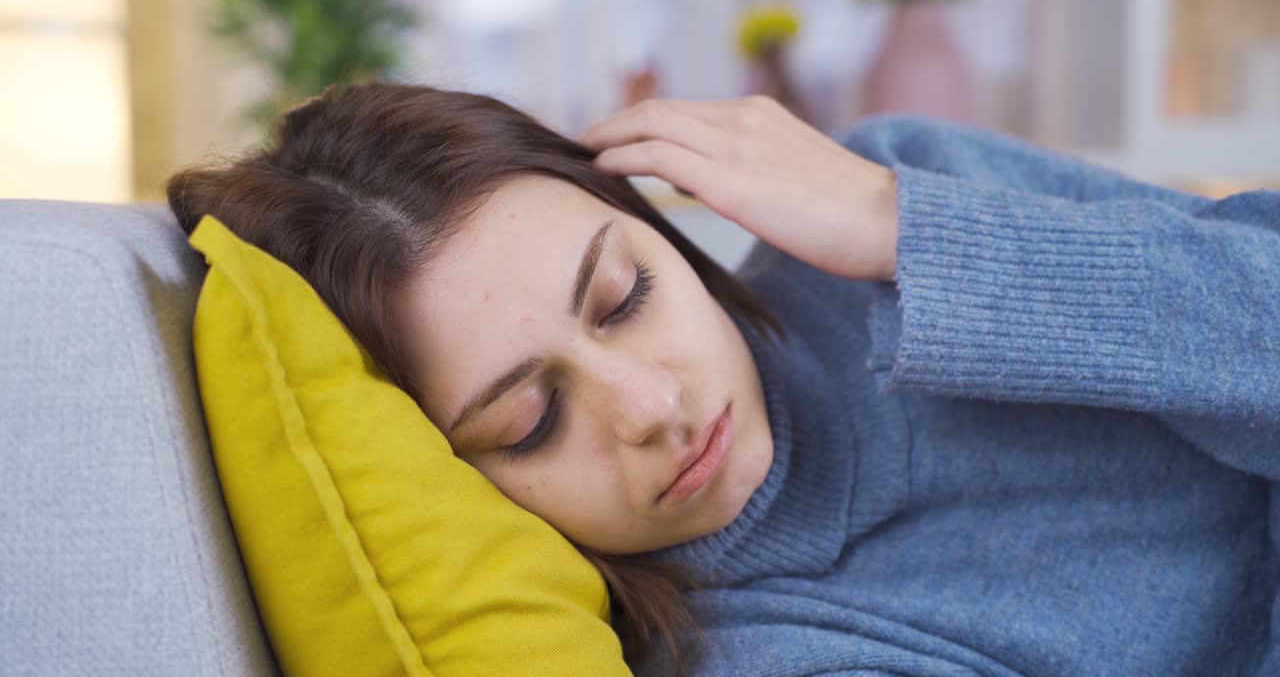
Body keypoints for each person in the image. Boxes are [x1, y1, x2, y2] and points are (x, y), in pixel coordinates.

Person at [166, 81, 1280, 677]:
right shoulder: (769, 655)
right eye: (534, 420)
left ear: (659, 229)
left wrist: (900, 228)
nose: (652, 409)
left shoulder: (897, 191)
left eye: (625, 297)